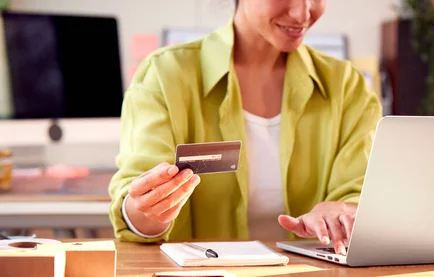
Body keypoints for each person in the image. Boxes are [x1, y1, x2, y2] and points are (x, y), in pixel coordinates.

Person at [108, 0, 382, 256]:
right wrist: (150, 208)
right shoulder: (165, 74)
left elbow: (360, 192)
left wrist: (341, 209)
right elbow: (135, 205)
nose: (302, 14)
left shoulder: (347, 86)